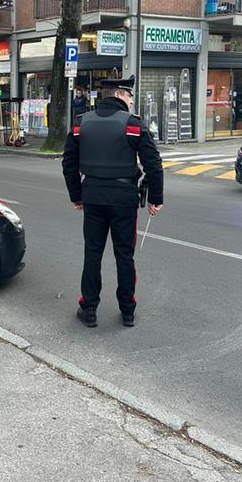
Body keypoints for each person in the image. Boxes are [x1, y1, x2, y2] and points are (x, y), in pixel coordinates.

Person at [61, 75, 164, 328]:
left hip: (93, 198)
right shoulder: (133, 125)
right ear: (119, 95)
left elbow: (68, 164)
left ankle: (89, 309)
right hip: (124, 200)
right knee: (125, 256)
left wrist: (76, 195)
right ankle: (127, 310)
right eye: (129, 96)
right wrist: (156, 199)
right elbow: (153, 164)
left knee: (92, 254)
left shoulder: (81, 124)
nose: (131, 101)